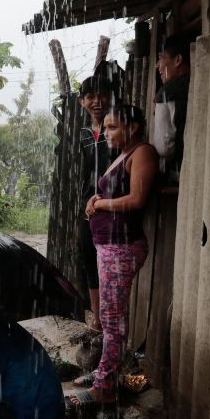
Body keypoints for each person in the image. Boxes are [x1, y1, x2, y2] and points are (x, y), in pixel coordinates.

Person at [68, 105, 159, 407]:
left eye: (112, 127)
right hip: (108, 247)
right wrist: (95, 199)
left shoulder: (142, 152)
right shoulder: (122, 154)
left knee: (113, 318)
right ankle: (104, 373)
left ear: (132, 127)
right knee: (109, 318)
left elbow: (136, 199)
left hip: (122, 248)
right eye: (106, 127)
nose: (105, 132)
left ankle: (105, 388)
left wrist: (102, 204)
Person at [77, 74, 118, 333]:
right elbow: (78, 172)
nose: (96, 101)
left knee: (110, 262)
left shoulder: (115, 130)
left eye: (101, 95)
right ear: (82, 102)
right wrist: (83, 201)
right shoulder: (81, 134)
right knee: (87, 256)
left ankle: (110, 319)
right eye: (90, 97)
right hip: (86, 207)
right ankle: (97, 317)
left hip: (113, 206)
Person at [153, 33, 191, 182]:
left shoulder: (167, 93)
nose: (158, 65)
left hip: (183, 171)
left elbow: (164, 148)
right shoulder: (198, 82)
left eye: (161, 58)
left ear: (178, 60)